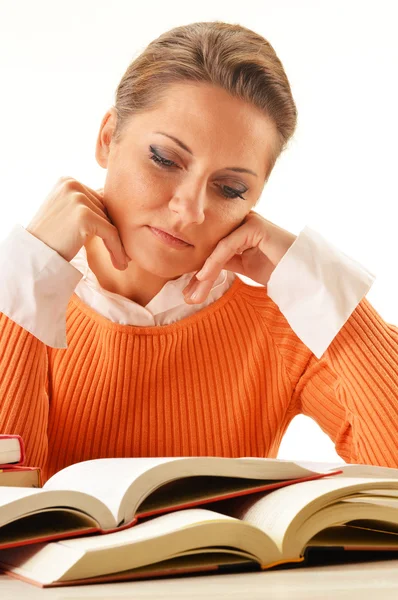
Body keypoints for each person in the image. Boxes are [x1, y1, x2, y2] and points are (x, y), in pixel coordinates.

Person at [0, 21, 397, 484]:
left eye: (229, 188)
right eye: (165, 160)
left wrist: (326, 290)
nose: (189, 209)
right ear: (108, 138)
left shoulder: (286, 330)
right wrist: (27, 276)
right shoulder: (15, 300)